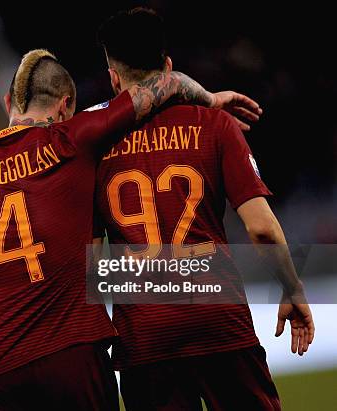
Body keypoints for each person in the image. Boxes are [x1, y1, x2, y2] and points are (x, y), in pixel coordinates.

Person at [0, 48, 261, 410]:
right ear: (65, 106)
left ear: (8, 102)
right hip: (73, 352)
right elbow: (162, 83)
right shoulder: (72, 139)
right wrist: (209, 100)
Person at [93, 7, 315, 410]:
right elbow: (262, 229)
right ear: (169, 65)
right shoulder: (216, 125)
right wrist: (292, 288)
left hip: (144, 334)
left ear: (113, 77)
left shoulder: (91, 146)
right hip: (218, 318)